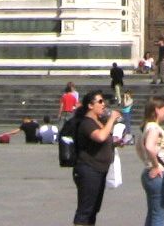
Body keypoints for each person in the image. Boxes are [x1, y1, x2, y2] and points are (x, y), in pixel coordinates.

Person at [68, 89, 121, 226]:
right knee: (85, 211)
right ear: (90, 106)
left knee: (93, 210)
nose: (104, 104)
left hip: (99, 170)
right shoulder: (87, 122)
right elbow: (100, 136)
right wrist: (111, 119)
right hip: (88, 169)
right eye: (100, 101)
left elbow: (103, 139)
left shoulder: (98, 122)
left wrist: (115, 143)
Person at [140, 96, 164, 226]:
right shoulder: (154, 128)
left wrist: (147, 162)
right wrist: (155, 165)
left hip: (148, 173)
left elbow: (140, 148)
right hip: (158, 175)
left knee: (153, 214)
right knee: (159, 216)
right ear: (157, 110)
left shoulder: (145, 127)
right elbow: (149, 147)